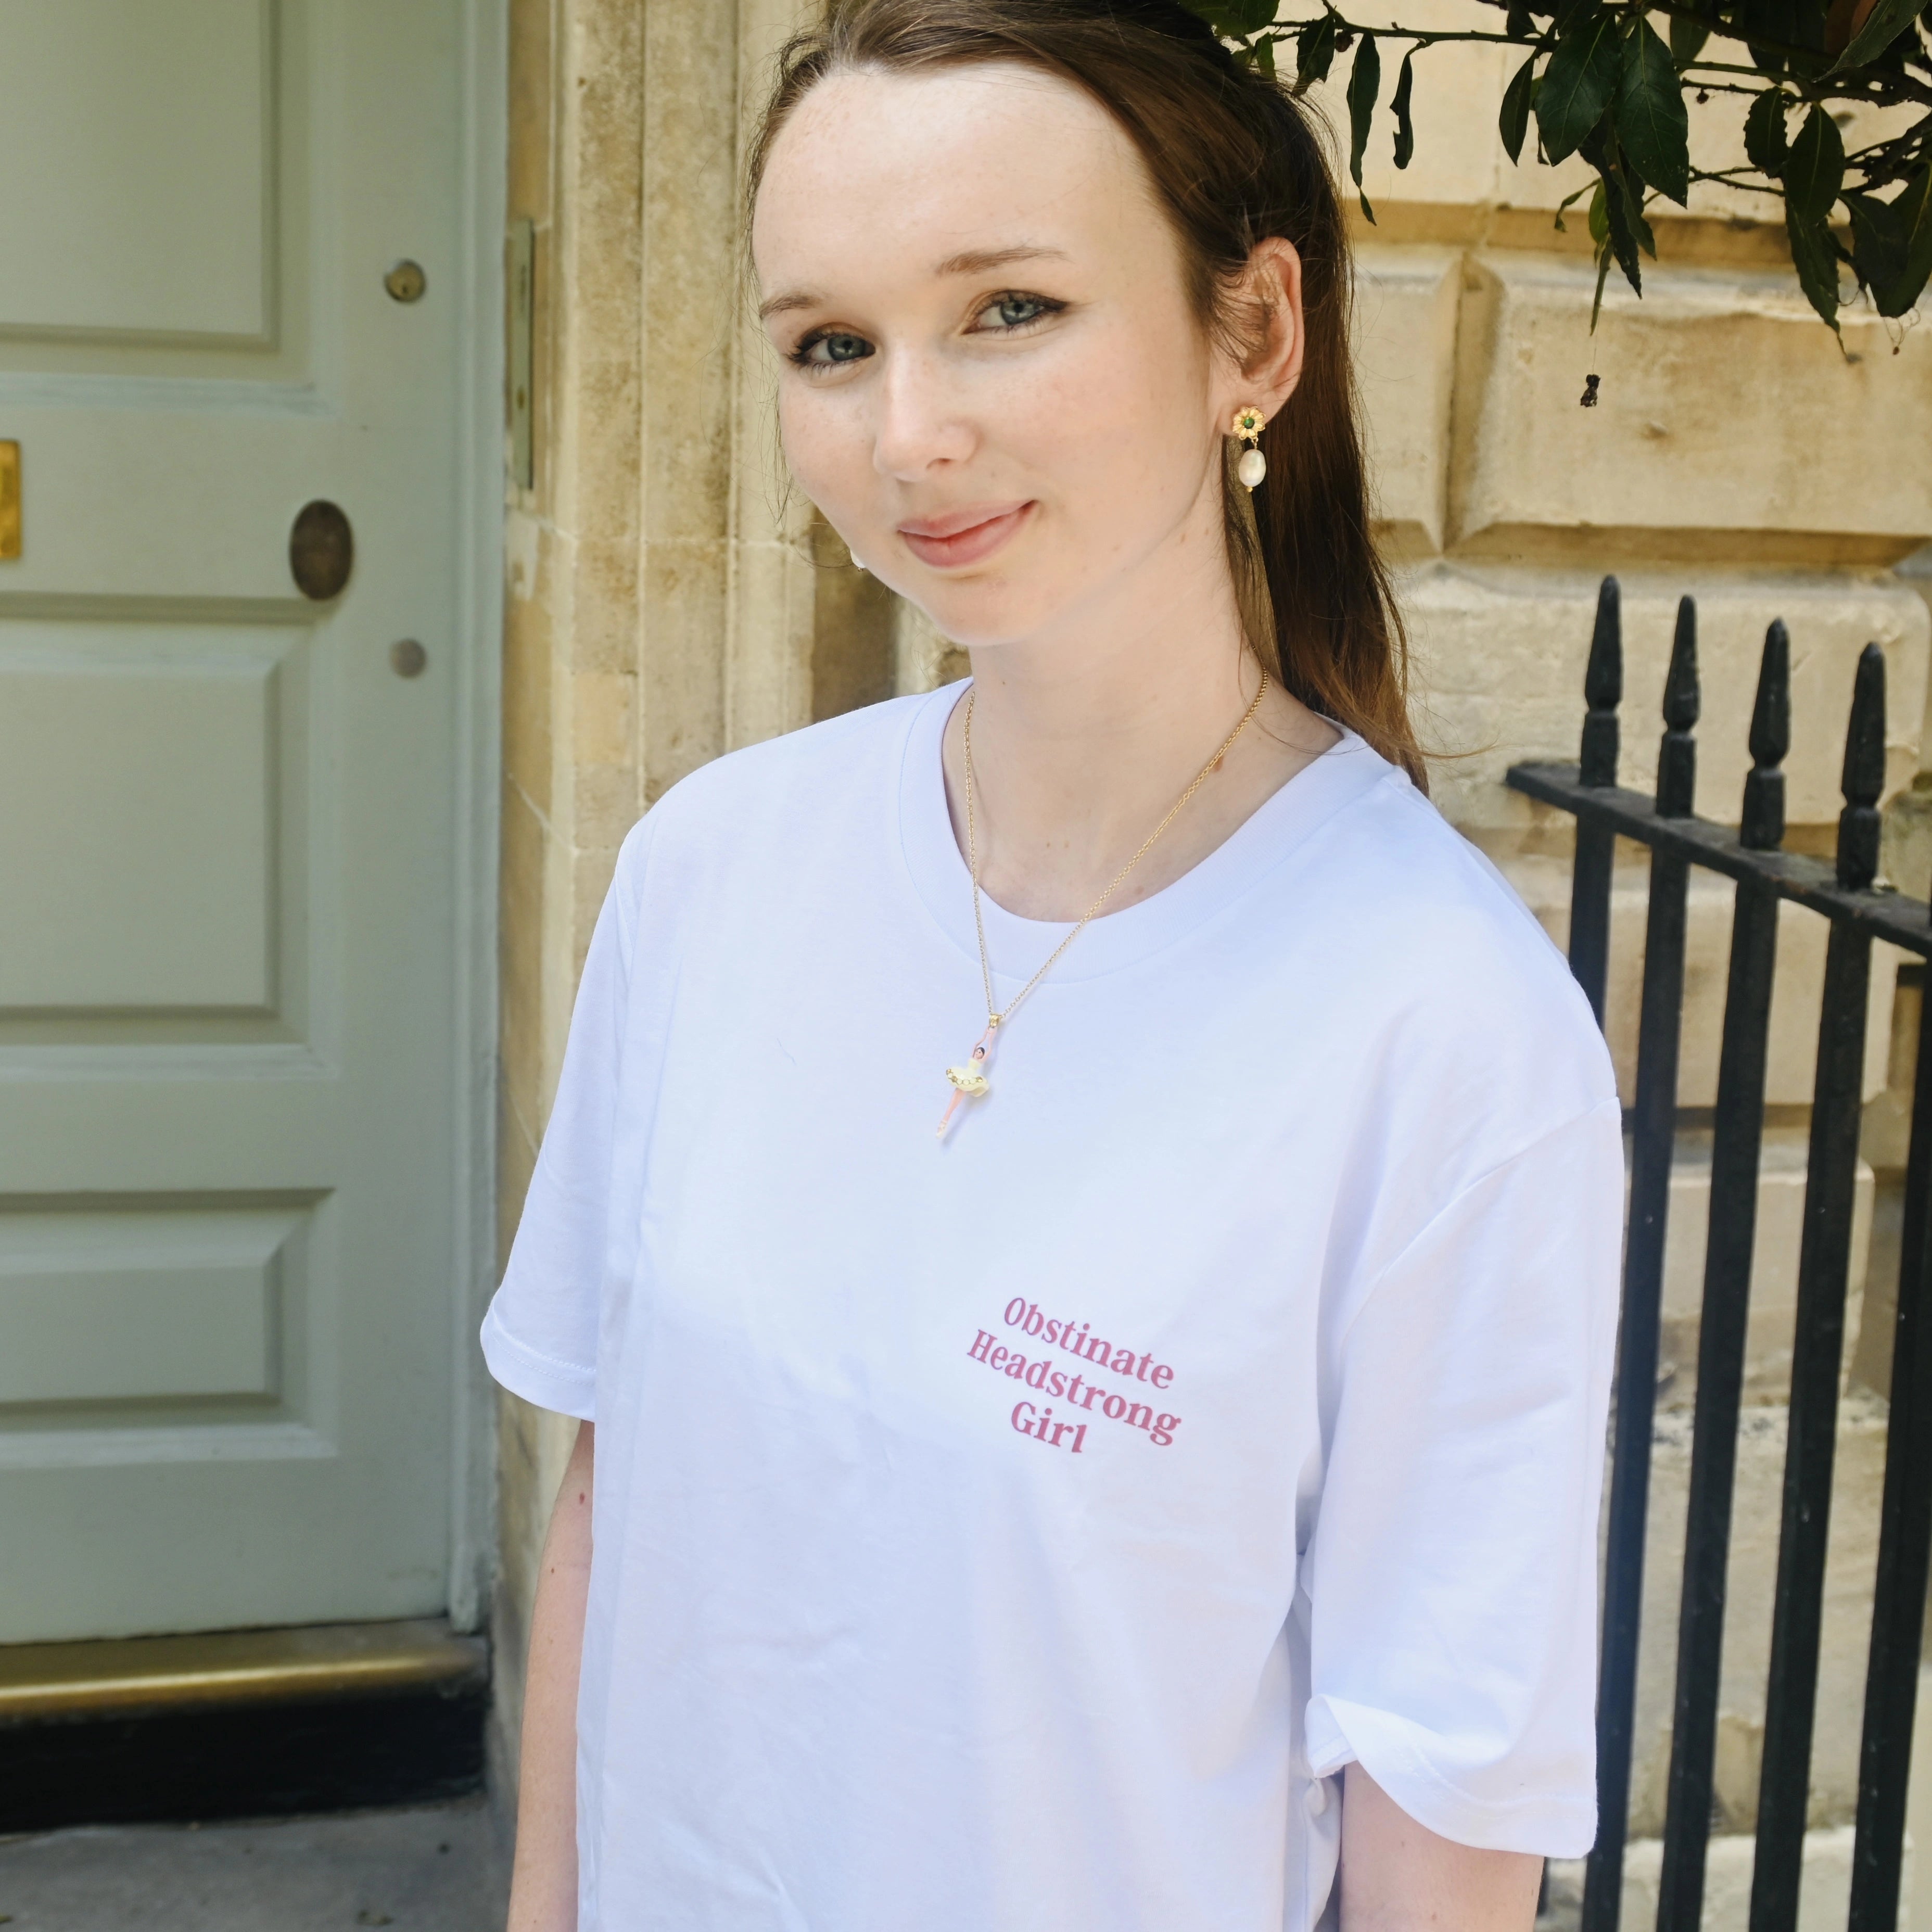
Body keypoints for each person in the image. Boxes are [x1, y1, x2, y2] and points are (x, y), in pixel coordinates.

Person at [483, 3, 1624, 1928]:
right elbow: (618, 1487)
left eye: (1008, 308)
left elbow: (1445, 1808)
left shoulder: (1441, 1033)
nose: (907, 431)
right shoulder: (711, 870)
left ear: (1251, 334)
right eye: (830, 346)